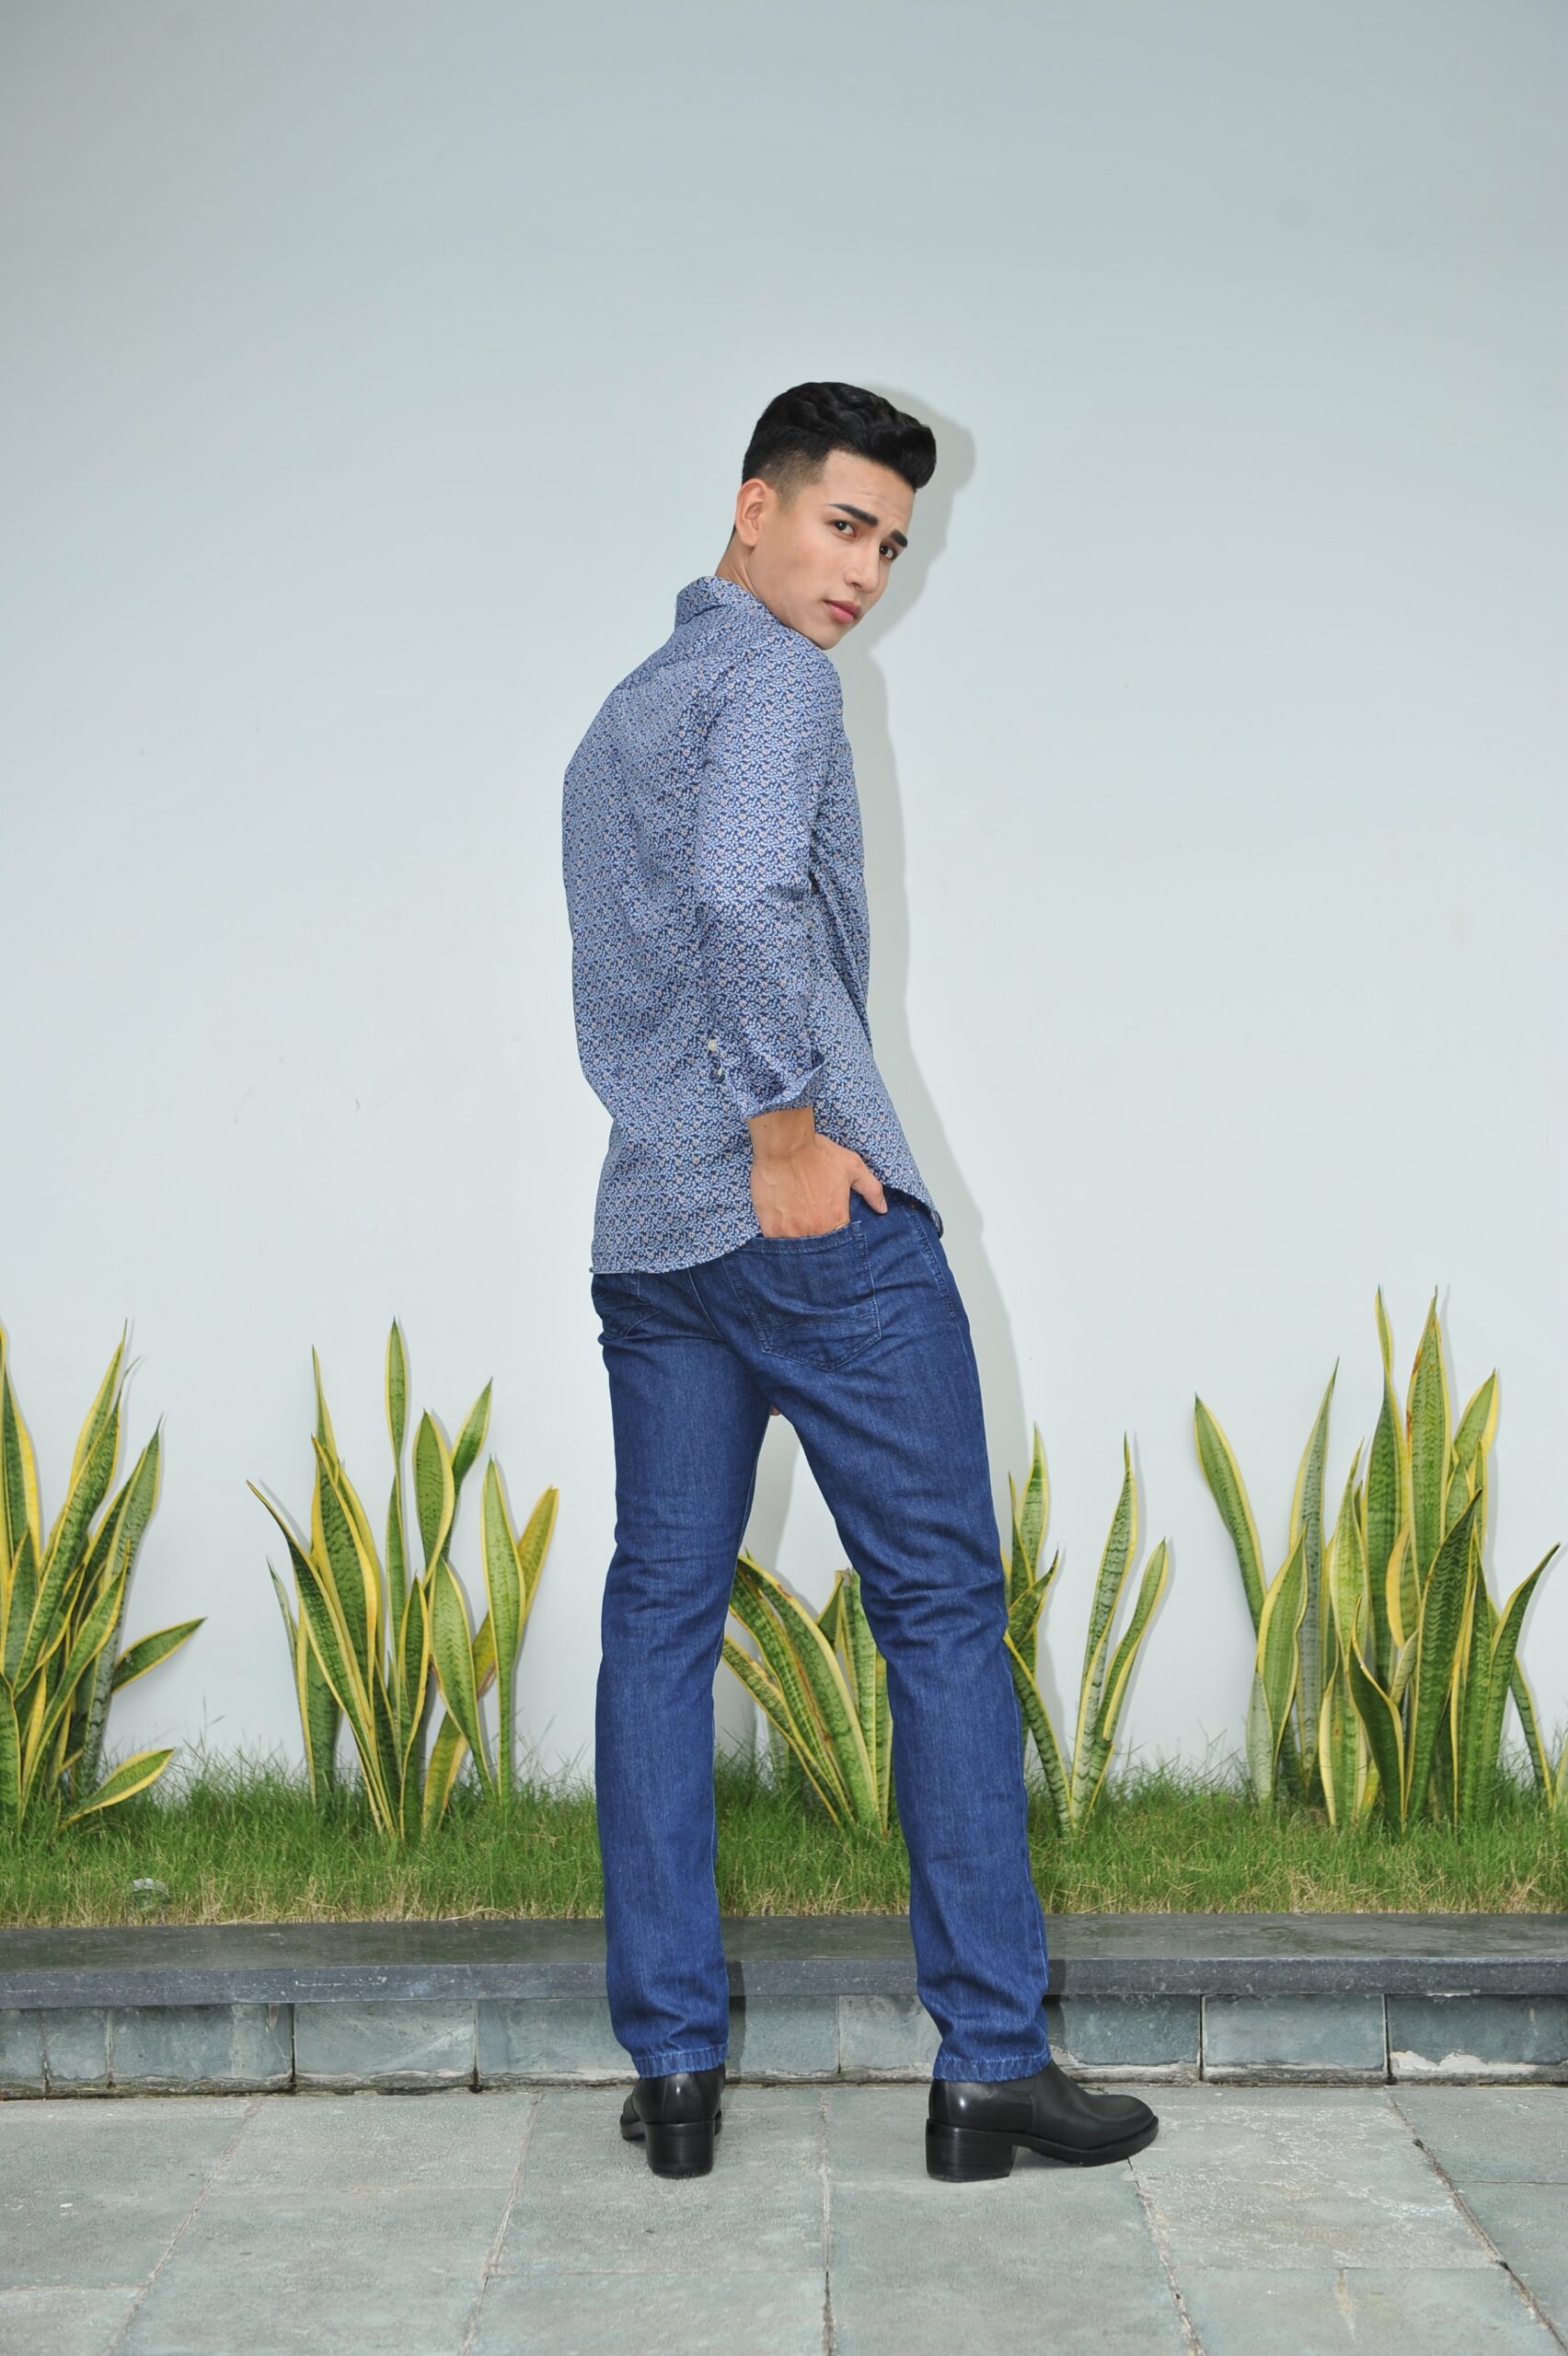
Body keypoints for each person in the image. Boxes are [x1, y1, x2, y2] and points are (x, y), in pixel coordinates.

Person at [561, 380, 1159, 2182]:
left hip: (650, 1238)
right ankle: (989, 2067)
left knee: (658, 1626)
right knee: (943, 1617)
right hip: (800, 1220)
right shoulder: (775, 683)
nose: (867, 573)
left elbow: (639, 964)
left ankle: (674, 2073)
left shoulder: (620, 714)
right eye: (844, 525)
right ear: (753, 506)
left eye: (892, 544)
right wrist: (785, 1135)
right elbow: (748, 899)